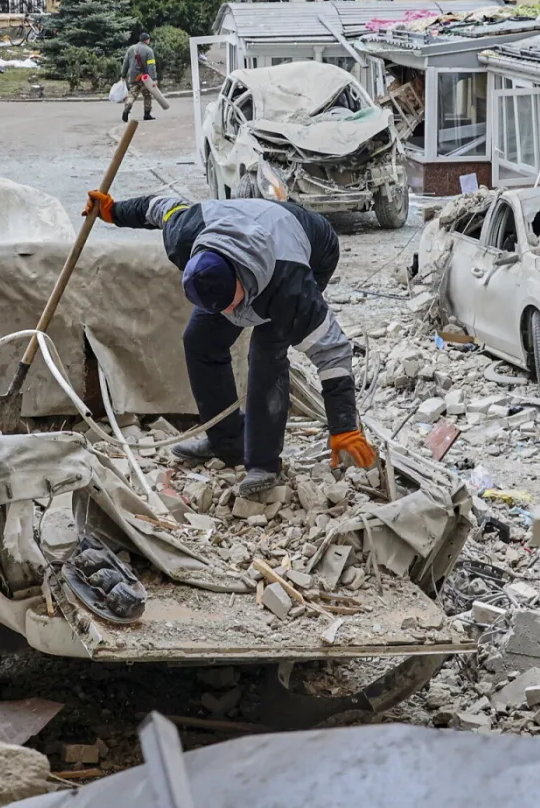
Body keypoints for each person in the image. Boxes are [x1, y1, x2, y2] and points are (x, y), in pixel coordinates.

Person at [83, 192, 377, 496]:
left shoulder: (289, 287)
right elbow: (158, 207)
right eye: (219, 307)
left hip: (311, 244)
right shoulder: (185, 233)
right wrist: (113, 210)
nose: (227, 314)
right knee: (200, 340)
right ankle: (227, 442)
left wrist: (343, 426)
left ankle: (263, 464)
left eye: (229, 304)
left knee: (266, 352)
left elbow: (332, 350)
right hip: (243, 234)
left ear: (241, 281)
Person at [121, 31, 158, 123]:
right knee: (147, 95)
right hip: (144, 77)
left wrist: (123, 75)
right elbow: (151, 66)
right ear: (147, 40)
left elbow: (125, 63)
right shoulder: (149, 51)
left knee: (132, 94)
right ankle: (147, 114)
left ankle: (127, 106)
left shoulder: (131, 49)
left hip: (133, 76)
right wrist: (154, 79)